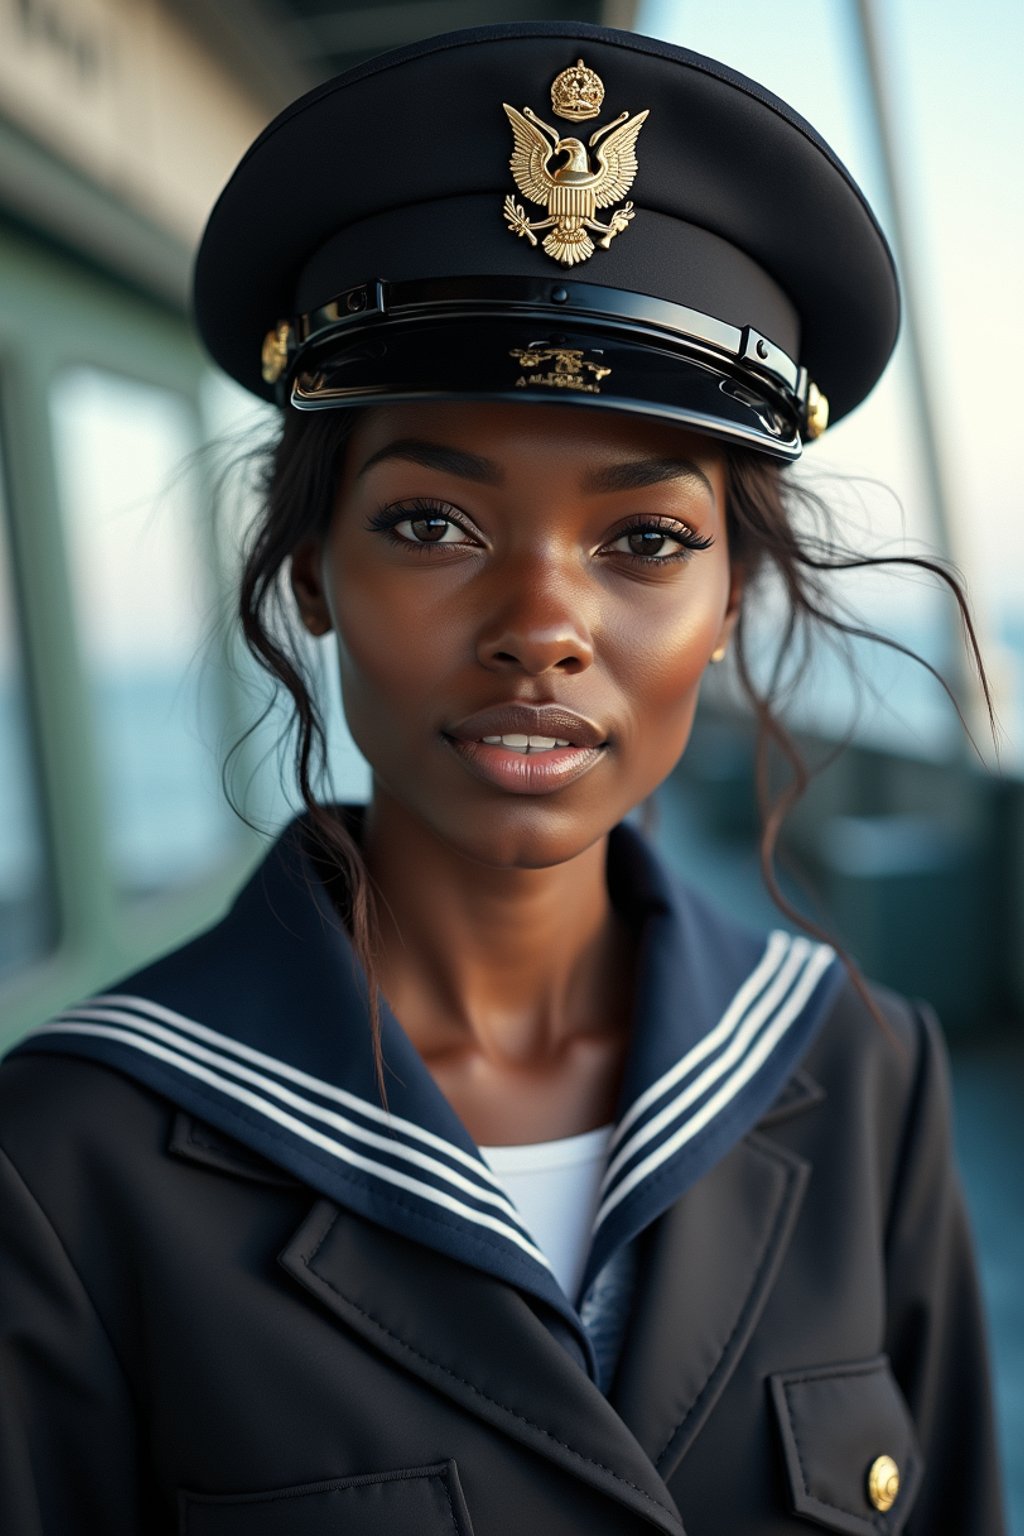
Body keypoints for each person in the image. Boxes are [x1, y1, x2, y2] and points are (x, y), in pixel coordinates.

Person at [0, 19, 1006, 1536]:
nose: (540, 629)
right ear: (312, 571)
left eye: (646, 541)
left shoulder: (866, 1075)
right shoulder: (67, 1165)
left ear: (729, 601)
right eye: (428, 524)